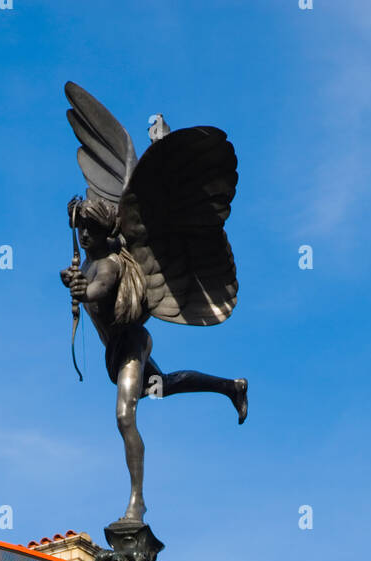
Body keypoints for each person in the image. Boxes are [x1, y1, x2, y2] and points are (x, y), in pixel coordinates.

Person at [60, 196, 248, 523]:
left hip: (132, 342)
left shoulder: (108, 266)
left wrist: (81, 291)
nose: (85, 236)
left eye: (91, 229)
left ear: (104, 232)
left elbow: (98, 290)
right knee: (164, 385)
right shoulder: (90, 262)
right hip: (117, 351)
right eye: (81, 229)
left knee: (124, 415)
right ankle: (231, 387)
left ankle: (137, 503)